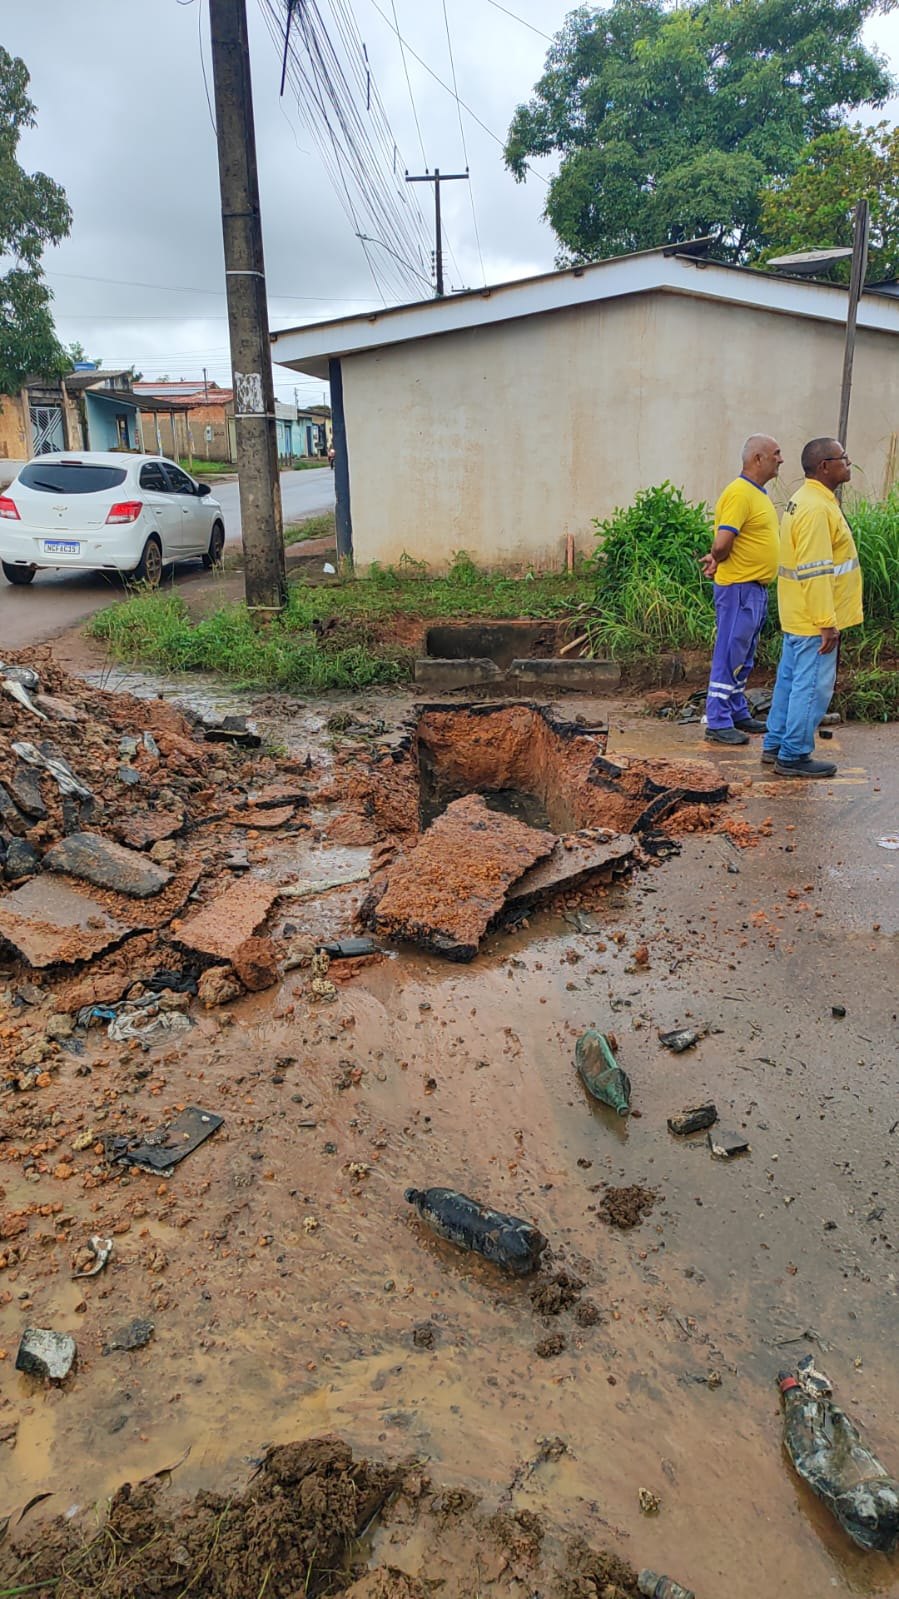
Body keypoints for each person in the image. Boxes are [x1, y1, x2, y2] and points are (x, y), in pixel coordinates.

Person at [761, 438, 862, 778]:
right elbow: (816, 570)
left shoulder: (803, 500)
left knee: (789, 681)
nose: (848, 463)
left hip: (797, 613)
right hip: (813, 619)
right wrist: (826, 622)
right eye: (842, 458)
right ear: (824, 467)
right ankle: (793, 754)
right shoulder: (817, 508)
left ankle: (775, 744)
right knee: (811, 686)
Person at [701, 434, 784, 745]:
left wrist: (718, 556)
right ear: (758, 459)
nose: (781, 459)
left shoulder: (756, 493)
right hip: (738, 588)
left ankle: (736, 711)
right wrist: (717, 557)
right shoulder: (739, 494)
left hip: (753, 589)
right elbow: (723, 541)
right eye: (776, 453)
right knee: (729, 652)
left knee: (744, 654)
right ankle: (718, 720)